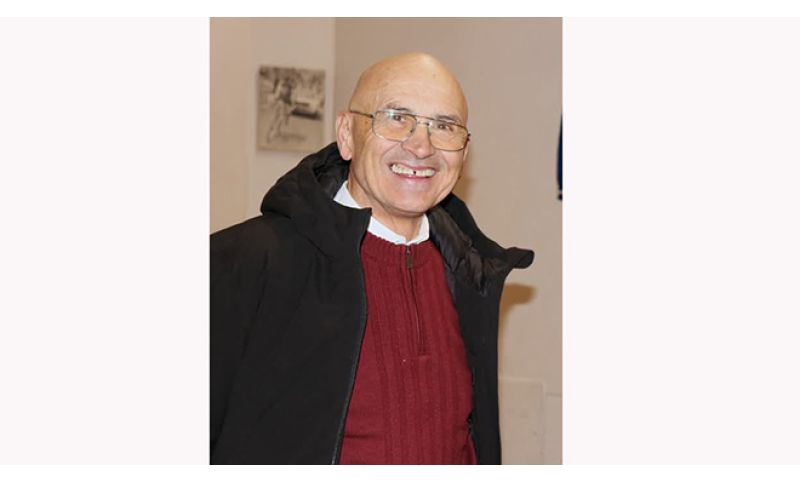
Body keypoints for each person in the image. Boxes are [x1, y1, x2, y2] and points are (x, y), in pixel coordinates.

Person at [211, 52, 534, 465]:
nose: (421, 146)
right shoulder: (242, 262)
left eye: (444, 126)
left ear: (464, 153)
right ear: (347, 134)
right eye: (396, 117)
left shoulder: (472, 275)